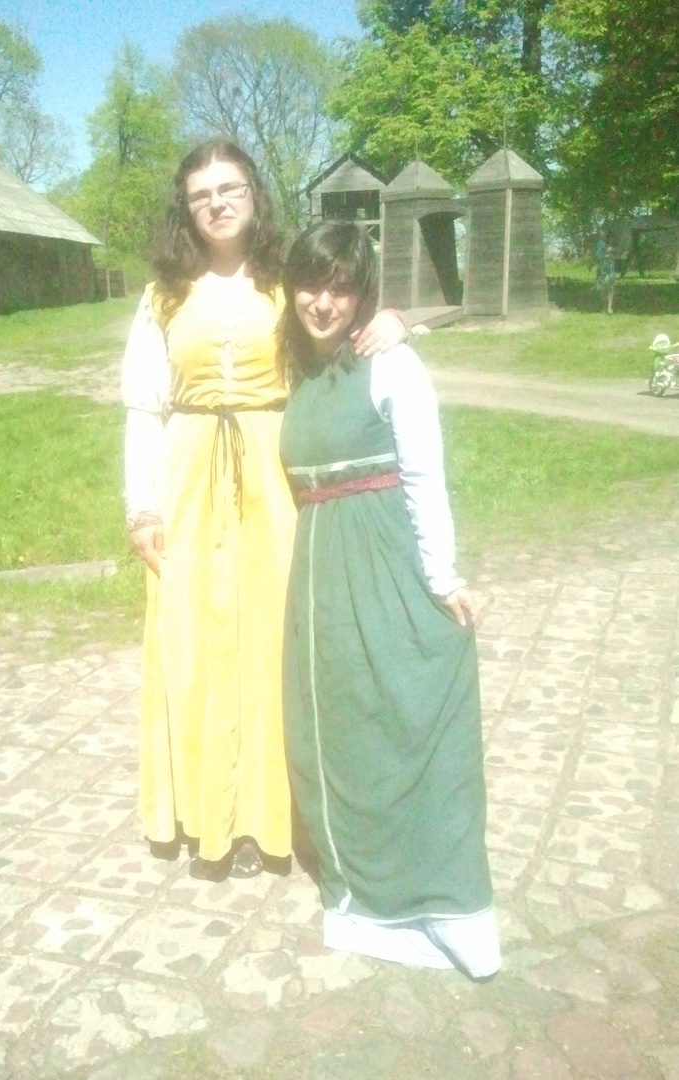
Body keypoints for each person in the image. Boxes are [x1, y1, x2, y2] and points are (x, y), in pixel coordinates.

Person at [121, 141, 408, 881]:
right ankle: (202, 813)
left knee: (274, 638)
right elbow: (142, 407)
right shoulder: (163, 296)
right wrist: (141, 507)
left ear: (254, 195)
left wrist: (396, 324)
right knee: (192, 639)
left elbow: (342, 324)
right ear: (185, 208)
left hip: (274, 474)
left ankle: (269, 817)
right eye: (201, 194)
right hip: (187, 477)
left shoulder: (288, 281)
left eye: (230, 188)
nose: (216, 203)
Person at [278, 220, 501, 979]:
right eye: (312, 284)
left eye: (342, 288)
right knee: (342, 732)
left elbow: (424, 474)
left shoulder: (390, 362)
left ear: (363, 293)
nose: (323, 302)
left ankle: (440, 900)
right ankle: (362, 894)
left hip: (383, 561)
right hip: (319, 574)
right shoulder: (297, 365)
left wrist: (443, 579)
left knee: (405, 720)